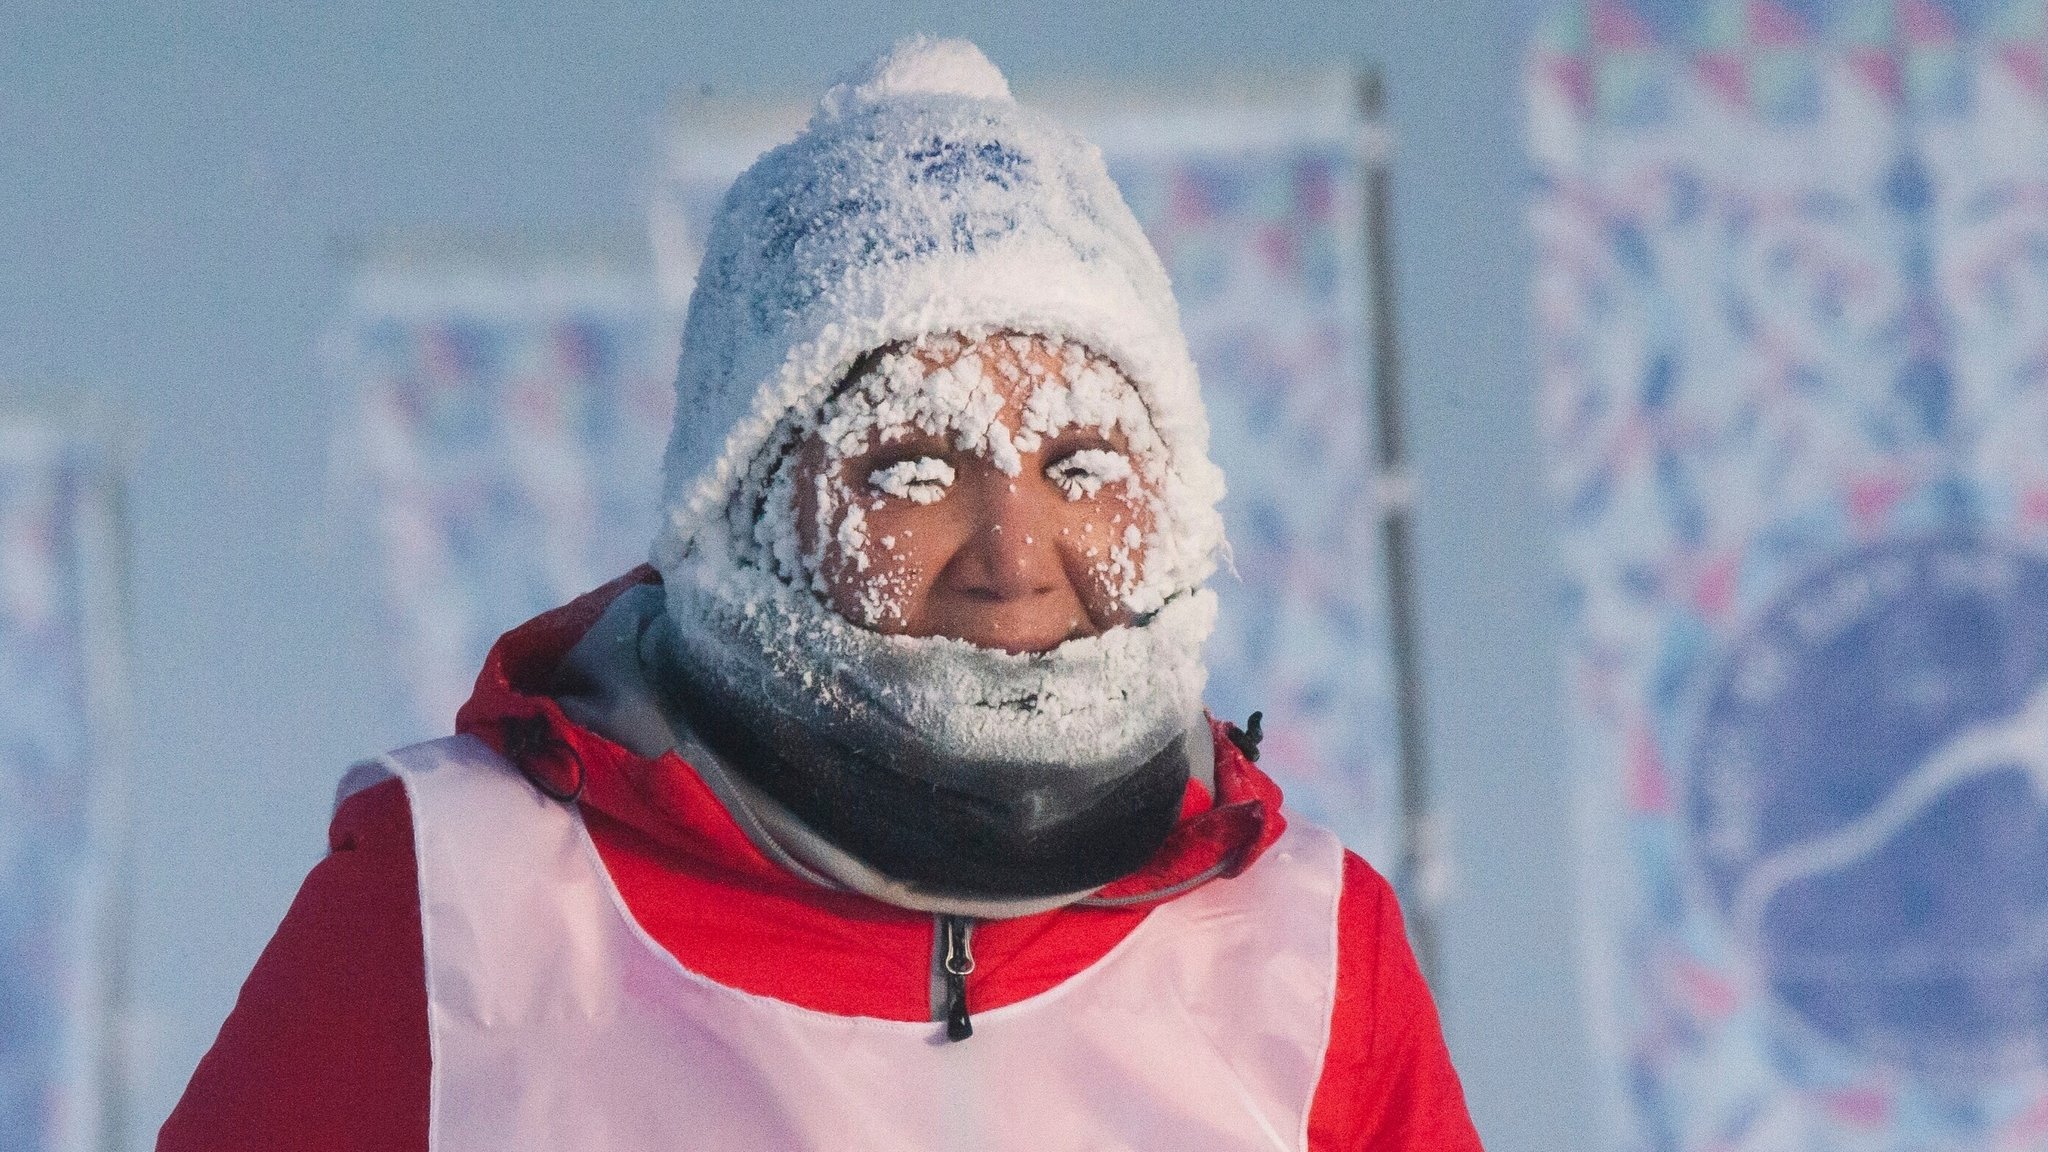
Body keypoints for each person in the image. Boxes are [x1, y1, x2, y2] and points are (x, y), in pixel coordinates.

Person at [160, 37, 1482, 1151]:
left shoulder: (1308, 958)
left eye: (1081, 461)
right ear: (744, 510)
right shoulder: (457, 907)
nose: (1013, 554)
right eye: (911, 467)